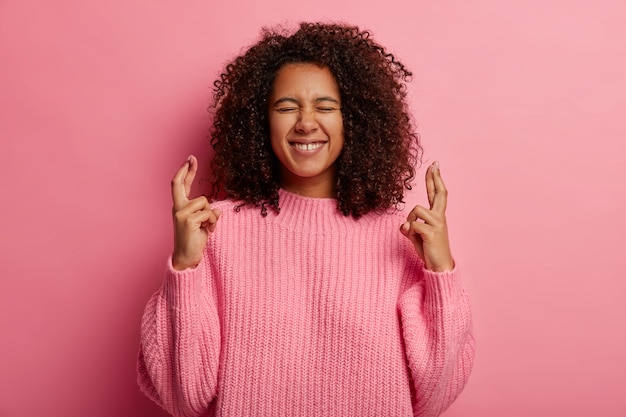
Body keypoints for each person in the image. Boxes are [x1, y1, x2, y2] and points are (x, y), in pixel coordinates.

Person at [137, 22, 474, 417]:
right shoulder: (215, 231)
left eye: (326, 107)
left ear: (357, 120)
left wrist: (440, 270)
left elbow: (433, 399)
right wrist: (185, 266)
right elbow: (185, 399)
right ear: (260, 122)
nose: (306, 123)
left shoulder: (400, 236)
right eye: (286, 107)